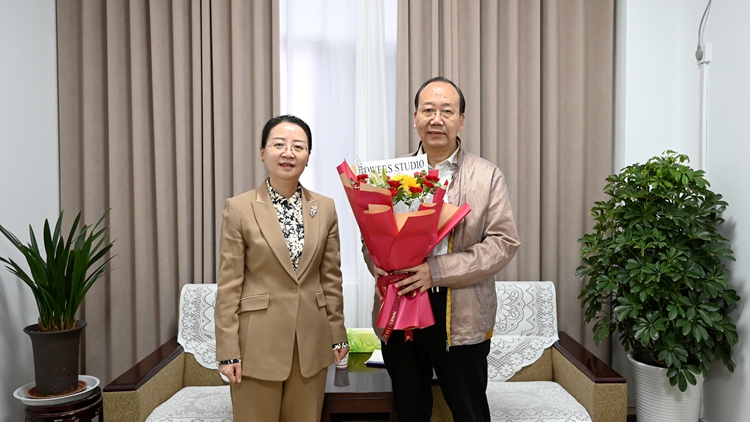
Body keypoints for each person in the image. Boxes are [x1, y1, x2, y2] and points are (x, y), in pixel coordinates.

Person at [364, 76, 521, 422]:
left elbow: (503, 243)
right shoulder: (391, 175)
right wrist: (377, 263)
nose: (436, 119)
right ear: (415, 118)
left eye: (447, 111)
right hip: (401, 305)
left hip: (460, 312)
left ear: (461, 120)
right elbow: (370, 236)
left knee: (469, 412)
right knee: (410, 410)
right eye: (428, 110)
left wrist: (434, 272)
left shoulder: (486, 176)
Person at [215, 115, 349, 422]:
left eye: (298, 146)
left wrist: (338, 335)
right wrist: (228, 350)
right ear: (263, 152)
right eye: (279, 144)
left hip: (311, 343)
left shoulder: (325, 208)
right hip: (256, 346)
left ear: (308, 156)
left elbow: (331, 279)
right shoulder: (239, 208)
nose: (289, 152)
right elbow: (229, 285)